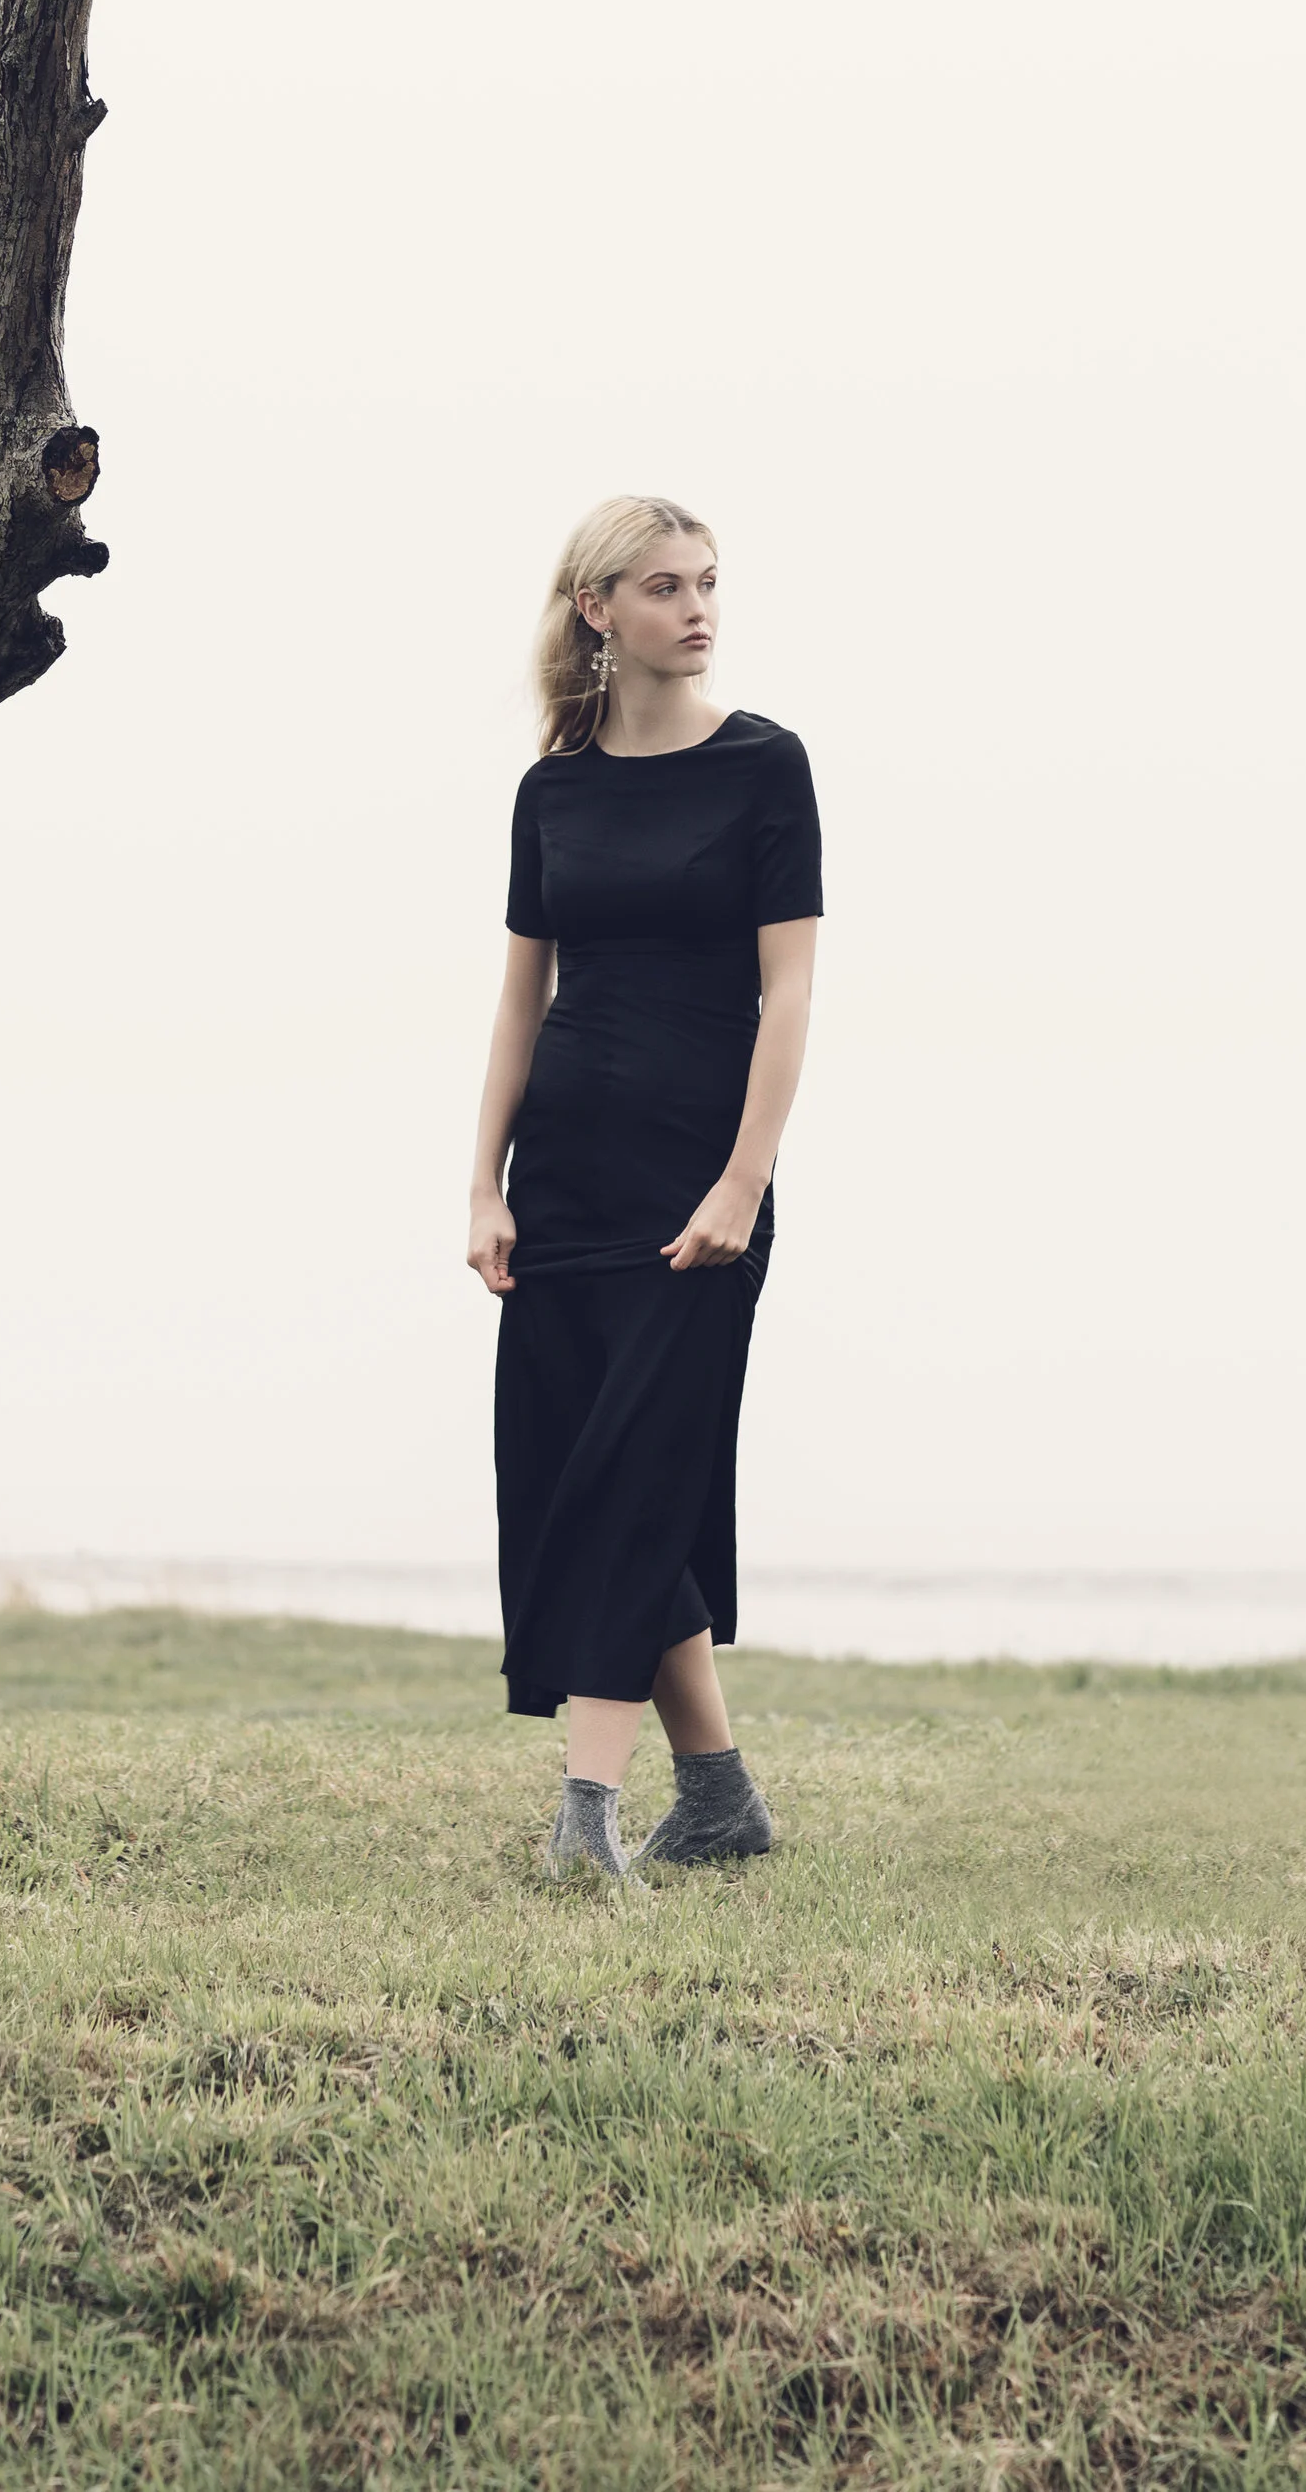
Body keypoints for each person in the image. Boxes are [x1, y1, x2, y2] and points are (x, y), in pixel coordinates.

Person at [467, 495, 822, 1882]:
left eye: (710, 582)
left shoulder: (764, 767)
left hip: (697, 1182)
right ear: (598, 608)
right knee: (589, 1466)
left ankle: (584, 1813)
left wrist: (747, 1177)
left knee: (633, 1469)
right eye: (665, 584)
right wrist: (483, 1184)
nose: (698, 605)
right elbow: (517, 1003)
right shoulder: (550, 790)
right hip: (563, 1181)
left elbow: (788, 989)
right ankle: (720, 1796)